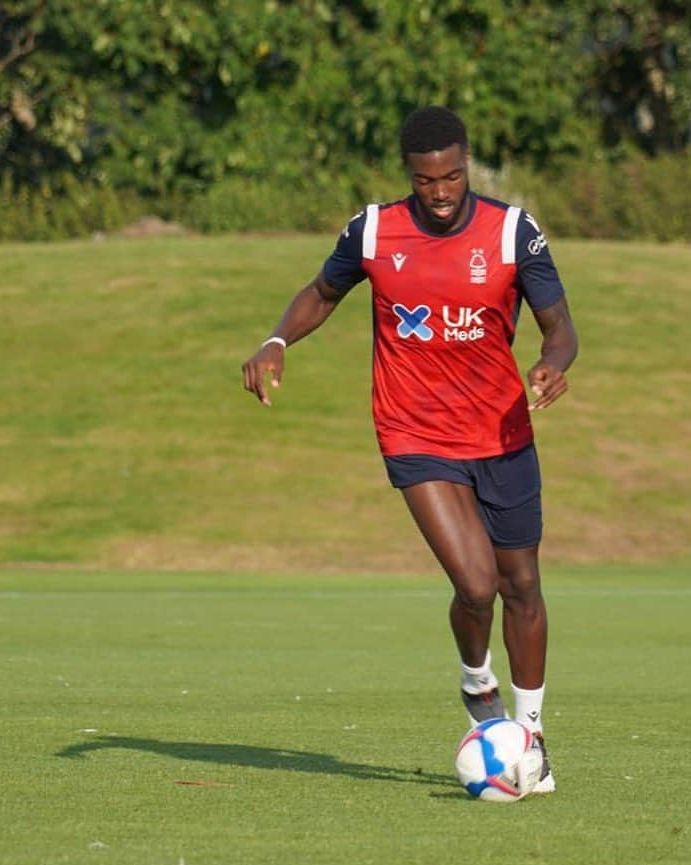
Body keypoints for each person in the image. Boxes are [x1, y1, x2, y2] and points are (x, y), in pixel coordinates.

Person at [242, 106, 578, 794]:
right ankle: (476, 681)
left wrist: (552, 363)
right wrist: (278, 340)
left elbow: (560, 325)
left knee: (522, 587)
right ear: (411, 176)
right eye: (428, 181)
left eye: (453, 176)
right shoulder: (373, 231)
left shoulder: (513, 232)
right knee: (476, 583)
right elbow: (321, 292)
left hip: (503, 433)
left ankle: (531, 731)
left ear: (466, 166)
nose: (443, 191)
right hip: (414, 432)